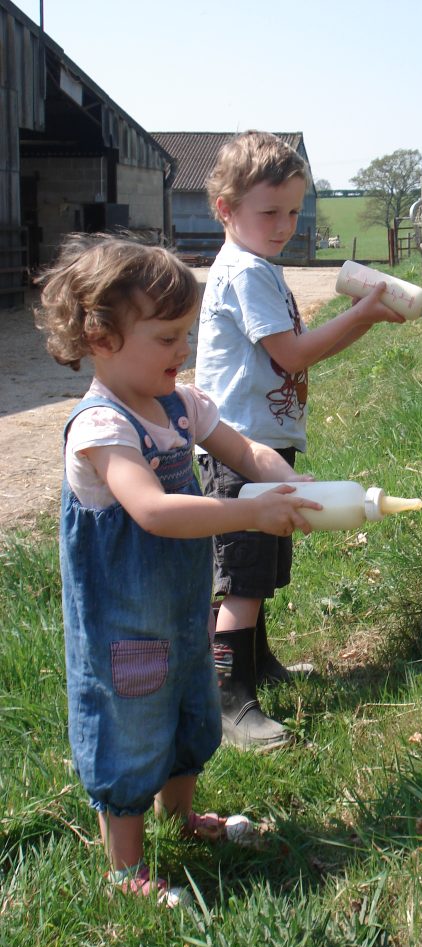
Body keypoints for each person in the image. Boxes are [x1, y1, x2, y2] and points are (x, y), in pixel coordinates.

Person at [36, 233, 323, 906]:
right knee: (131, 729)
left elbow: (245, 449)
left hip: (181, 612)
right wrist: (248, 514)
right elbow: (156, 511)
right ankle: (125, 870)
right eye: (167, 339)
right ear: (101, 337)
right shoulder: (101, 428)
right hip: (123, 630)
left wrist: (282, 475)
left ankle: (183, 818)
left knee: (192, 712)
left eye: (186, 335)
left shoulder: (178, 405)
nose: (184, 351)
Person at [195, 130, 405, 750]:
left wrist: (356, 322)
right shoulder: (245, 273)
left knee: (260, 571)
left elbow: (296, 353)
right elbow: (291, 354)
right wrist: (362, 316)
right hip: (240, 450)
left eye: (294, 211)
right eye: (269, 212)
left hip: (262, 444)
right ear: (225, 209)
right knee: (243, 579)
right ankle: (228, 699)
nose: (285, 225)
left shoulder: (260, 267)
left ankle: (256, 665)